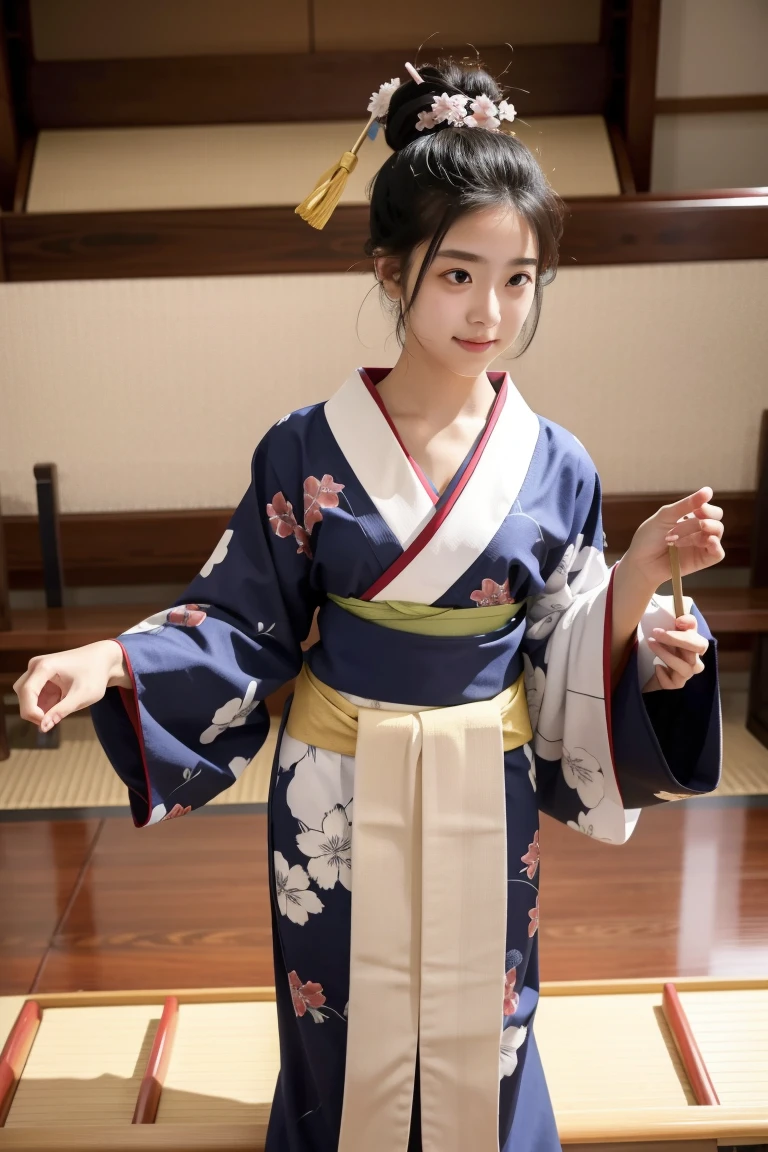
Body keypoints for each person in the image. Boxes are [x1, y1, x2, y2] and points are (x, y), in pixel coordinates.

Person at [14, 58, 724, 1152]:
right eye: (458, 276)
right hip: (334, 786)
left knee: (490, 1009)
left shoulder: (557, 464)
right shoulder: (305, 451)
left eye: (521, 278)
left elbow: (565, 639)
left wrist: (639, 594)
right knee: (333, 1004)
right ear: (391, 271)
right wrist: (112, 661)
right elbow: (244, 614)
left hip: (488, 777)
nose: (492, 311)